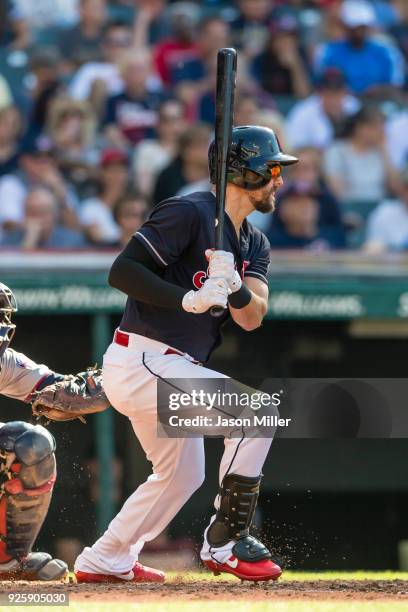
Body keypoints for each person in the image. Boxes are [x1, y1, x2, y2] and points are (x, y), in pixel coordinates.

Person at [73, 125, 298, 584]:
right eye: (272, 169)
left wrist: (233, 287)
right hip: (144, 359)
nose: (279, 180)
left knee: (180, 476)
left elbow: (252, 317)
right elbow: (122, 271)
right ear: (244, 171)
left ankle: (106, 557)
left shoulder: (254, 242)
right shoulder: (189, 212)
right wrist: (186, 299)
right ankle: (226, 541)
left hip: (172, 367)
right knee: (257, 414)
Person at [0, 282, 109, 580]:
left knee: (30, 444)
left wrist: (119, 382)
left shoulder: (3, 362)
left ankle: (6, 561)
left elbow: (58, 389)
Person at [315, 0, 404, 95]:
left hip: (380, 101)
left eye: (362, 28)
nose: (359, 33)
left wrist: (380, 89)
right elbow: (321, 83)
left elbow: (397, 84)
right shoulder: (329, 51)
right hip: (342, 103)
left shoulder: (385, 51)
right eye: (355, 28)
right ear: (346, 27)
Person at [323, 107, 396, 204]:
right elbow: (336, 190)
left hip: (379, 207)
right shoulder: (337, 150)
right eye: (376, 127)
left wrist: (384, 152)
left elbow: (396, 188)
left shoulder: (382, 153)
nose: (382, 132)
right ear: (360, 128)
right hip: (349, 207)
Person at [102, 48, 165, 149]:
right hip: (123, 149)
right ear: (122, 73)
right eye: (131, 70)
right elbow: (110, 128)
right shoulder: (113, 101)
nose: (136, 74)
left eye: (140, 69)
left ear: (149, 71)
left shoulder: (161, 98)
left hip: (155, 149)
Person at [286, 69, 360, 151]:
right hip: (316, 161)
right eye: (328, 93)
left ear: (345, 92)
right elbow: (294, 147)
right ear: (320, 92)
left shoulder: (354, 107)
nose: (333, 99)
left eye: (337, 93)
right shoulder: (303, 112)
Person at [1, 186, 88, 249]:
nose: (38, 218)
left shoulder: (72, 241)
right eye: (32, 212)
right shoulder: (11, 240)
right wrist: (29, 240)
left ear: (54, 214)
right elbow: (15, 272)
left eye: (42, 212)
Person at [266, 181, 346, 250]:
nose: (305, 204)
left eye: (311, 199)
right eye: (296, 200)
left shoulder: (335, 238)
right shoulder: (269, 243)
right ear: (282, 209)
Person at [132, 99, 186, 199]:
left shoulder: (190, 151)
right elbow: (145, 190)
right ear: (158, 124)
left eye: (177, 120)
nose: (173, 126)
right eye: (166, 120)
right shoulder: (146, 149)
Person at [80, 148, 130, 245]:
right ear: (102, 173)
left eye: (121, 170)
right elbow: (96, 237)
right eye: (112, 171)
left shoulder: (135, 206)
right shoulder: (90, 206)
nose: (117, 176)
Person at [152, 123, 211, 204]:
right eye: (201, 145)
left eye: (208, 144)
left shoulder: (217, 178)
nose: (208, 149)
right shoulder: (168, 177)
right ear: (185, 151)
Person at [364, 168, 408, 252]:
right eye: (407, 187)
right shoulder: (384, 213)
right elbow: (372, 248)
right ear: (400, 188)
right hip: (392, 264)